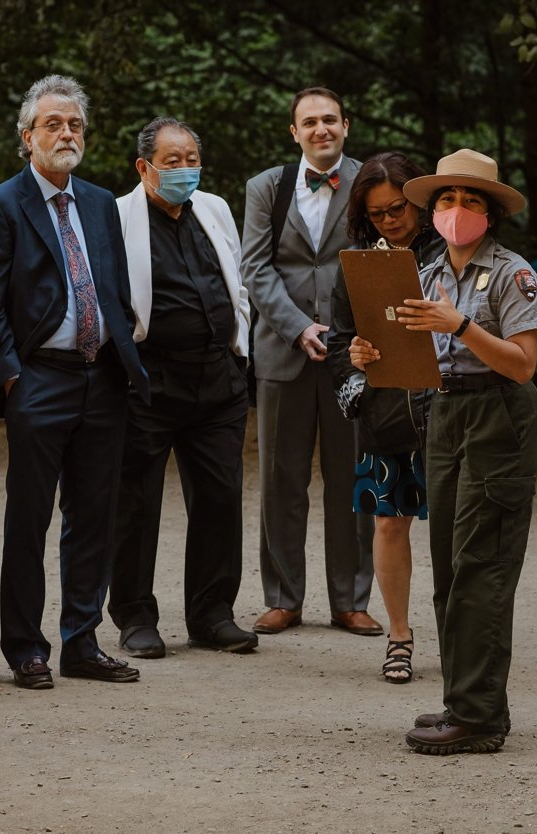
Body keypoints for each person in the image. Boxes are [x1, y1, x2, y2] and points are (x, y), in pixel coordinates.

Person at [347, 149, 537, 754]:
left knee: (482, 568)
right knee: (450, 568)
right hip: (444, 414)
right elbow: (413, 357)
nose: (456, 210)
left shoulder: (515, 274)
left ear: (490, 213)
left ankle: (481, 718)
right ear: (430, 209)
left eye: (471, 200)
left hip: (499, 416)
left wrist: (460, 326)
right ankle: (464, 702)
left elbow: (522, 366)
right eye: (446, 200)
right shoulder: (428, 275)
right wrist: (370, 356)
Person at [0, 74, 152, 690]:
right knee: (29, 517)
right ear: (27, 137)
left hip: (103, 378)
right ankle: (24, 647)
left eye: (75, 125)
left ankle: (81, 641)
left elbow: (112, 284)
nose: (66, 133)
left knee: (93, 515)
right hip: (38, 378)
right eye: (53, 124)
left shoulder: (99, 202)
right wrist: (11, 376)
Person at [108, 116, 262, 658]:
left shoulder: (214, 207)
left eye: (192, 159)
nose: (184, 170)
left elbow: (236, 283)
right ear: (144, 166)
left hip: (219, 377)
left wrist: (241, 347)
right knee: (135, 502)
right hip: (150, 378)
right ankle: (134, 615)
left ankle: (212, 613)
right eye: (172, 161)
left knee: (221, 497)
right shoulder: (117, 215)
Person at [240, 87, 380, 638]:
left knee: (353, 478)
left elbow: (387, 256)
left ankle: (350, 599)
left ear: (346, 125)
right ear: (293, 132)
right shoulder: (266, 188)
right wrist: (298, 328)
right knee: (281, 478)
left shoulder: (371, 182)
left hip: (354, 354)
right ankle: (282, 597)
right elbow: (255, 268)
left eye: (330, 120)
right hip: (283, 351)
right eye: (309, 122)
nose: (321, 129)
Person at [324, 151, 445, 683]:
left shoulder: (454, 253)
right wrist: (355, 363)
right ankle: (399, 635)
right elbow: (338, 341)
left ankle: (460, 635)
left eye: (397, 207)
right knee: (388, 521)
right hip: (386, 409)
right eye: (377, 214)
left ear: (418, 199)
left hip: (449, 408)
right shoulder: (357, 262)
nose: (390, 220)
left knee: (455, 527)